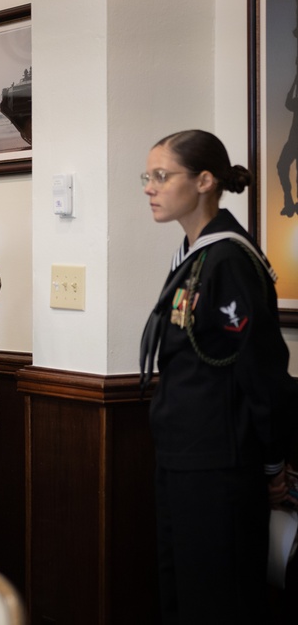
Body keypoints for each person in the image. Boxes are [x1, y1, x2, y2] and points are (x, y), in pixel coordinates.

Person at [139, 129, 298, 624]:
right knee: (183, 596)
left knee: (219, 600)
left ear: (205, 180)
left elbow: (262, 371)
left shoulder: (228, 258)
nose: (150, 187)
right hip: (182, 458)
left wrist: (273, 465)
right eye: (148, 177)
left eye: (162, 176)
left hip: (219, 466)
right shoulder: (194, 253)